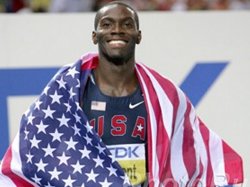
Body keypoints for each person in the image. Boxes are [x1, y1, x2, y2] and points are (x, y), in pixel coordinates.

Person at [0, 1, 243, 186]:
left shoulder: (164, 95)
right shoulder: (67, 91)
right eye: (107, 24)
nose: (117, 30)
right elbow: (35, 149)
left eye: (127, 24)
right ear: (95, 35)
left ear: (139, 35)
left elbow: (194, 152)